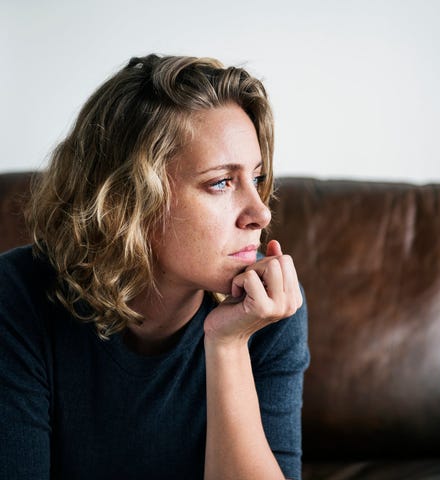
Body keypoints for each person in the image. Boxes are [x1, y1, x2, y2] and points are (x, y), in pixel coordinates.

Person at [0, 54, 309, 480]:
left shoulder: (267, 306)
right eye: (221, 182)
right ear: (128, 199)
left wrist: (228, 345)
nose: (260, 213)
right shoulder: (16, 297)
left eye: (256, 179)